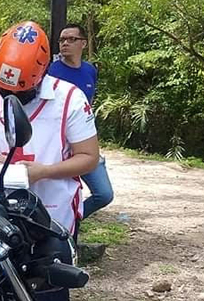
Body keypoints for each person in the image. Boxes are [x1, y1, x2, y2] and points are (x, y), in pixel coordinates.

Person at [0, 21, 99, 301]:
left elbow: (89, 157)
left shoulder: (68, 98)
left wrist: (43, 171)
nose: (10, 96)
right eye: (4, 89)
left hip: (50, 220)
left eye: (21, 91)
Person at [48, 23, 113, 219]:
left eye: (71, 39)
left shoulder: (90, 70)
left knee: (104, 194)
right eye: (62, 40)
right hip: (56, 148)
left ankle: (71, 221)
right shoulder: (50, 71)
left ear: (83, 43)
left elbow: (88, 105)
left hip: (83, 145)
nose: (65, 43)